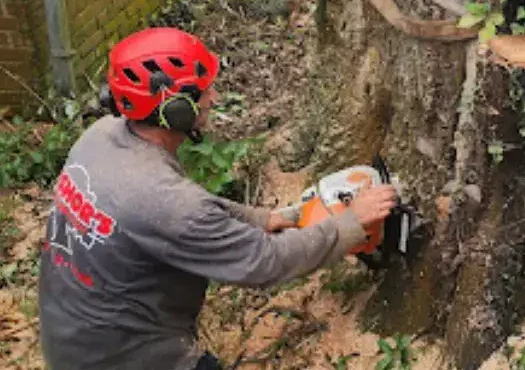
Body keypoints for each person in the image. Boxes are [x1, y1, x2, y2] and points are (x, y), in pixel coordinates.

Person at [37, 27, 397, 370]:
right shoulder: (165, 202)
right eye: (203, 92)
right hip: (123, 357)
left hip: (68, 333)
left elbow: (175, 208)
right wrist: (350, 223)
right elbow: (264, 262)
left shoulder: (100, 138)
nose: (214, 98)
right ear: (175, 109)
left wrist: (260, 218)